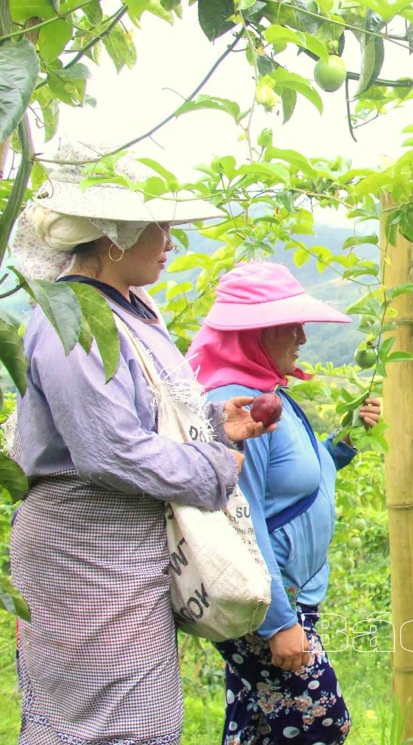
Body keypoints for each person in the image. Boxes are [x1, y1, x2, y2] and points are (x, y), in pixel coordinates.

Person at [8, 144, 271, 745]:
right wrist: (211, 466)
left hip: (127, 548)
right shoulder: (72, 316)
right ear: (116, 237)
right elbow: (107, 450)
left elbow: (139, 416)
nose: (170, 241)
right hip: (85, 549)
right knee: (103, 727)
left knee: (139, 721)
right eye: (161, 226)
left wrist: (211, 423)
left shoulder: (128, 311)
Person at [186, 261, 380, 745]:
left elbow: (294, 478)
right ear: (253, 334)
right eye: (288, 326)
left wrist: (342, 443)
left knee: (256, 724)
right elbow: (238, 521)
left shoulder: (266, 392)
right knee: (321, 721)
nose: (302, 337)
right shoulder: (239, 407)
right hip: (264, 603)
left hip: (282, 597)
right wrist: (278, 623)